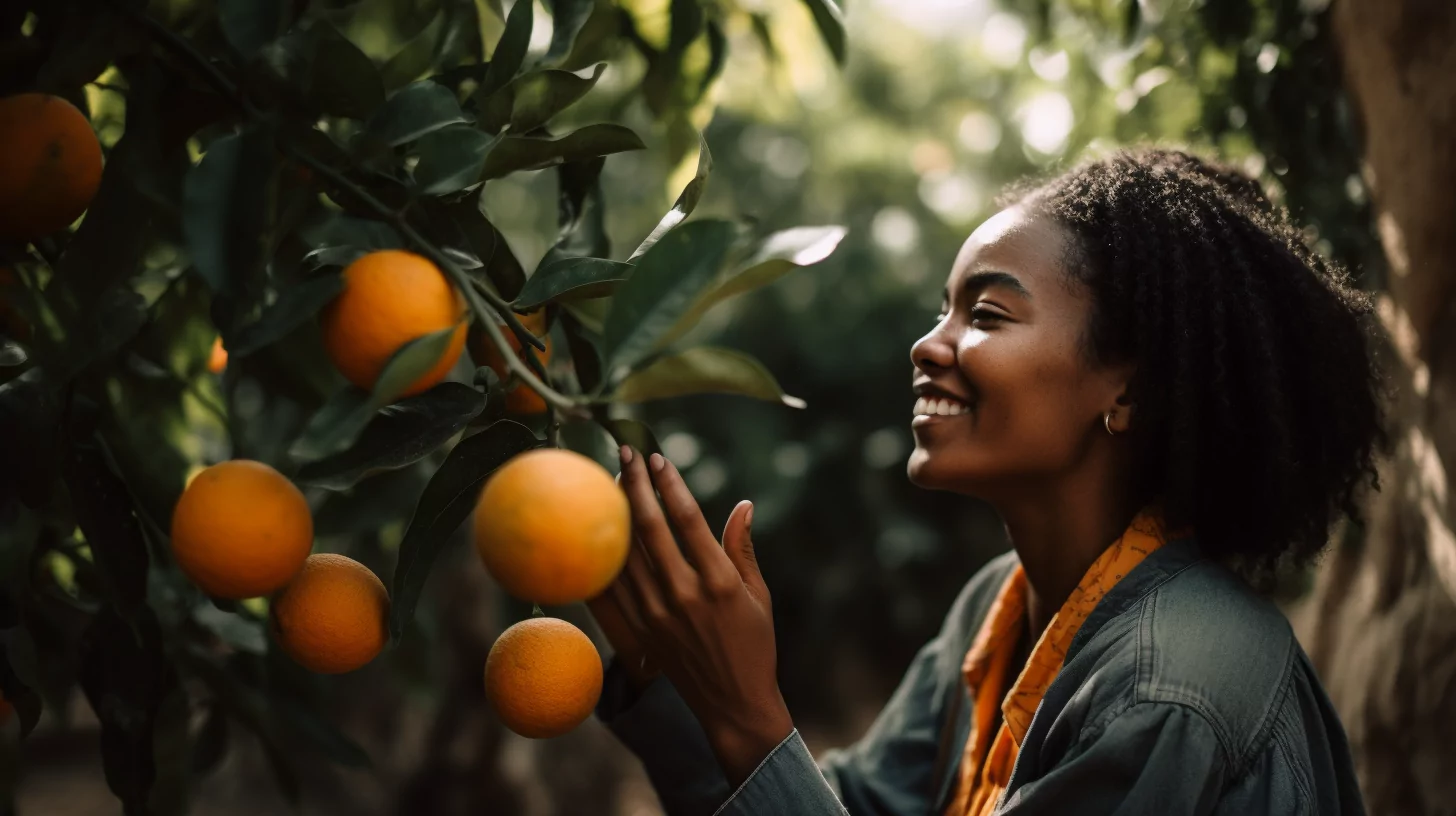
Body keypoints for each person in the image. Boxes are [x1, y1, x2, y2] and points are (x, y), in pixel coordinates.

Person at [586, 148, 1384, 815]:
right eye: (942, 310)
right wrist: (675, 678)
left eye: (988, 315)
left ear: (1129, 394)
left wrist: (743, 712)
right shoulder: (998, 606)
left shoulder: (1166, 687)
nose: (928, 346)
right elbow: (855, 806)